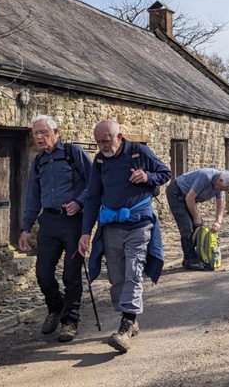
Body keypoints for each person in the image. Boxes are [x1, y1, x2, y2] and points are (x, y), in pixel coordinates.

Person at [77, 120, 171, 354]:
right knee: (116, 275)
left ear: (119, 137)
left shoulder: (140, 152)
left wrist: (147, 176)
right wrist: (86, 232)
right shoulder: (99, 161)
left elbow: (165, 173)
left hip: (139, 224)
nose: (102, 146)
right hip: (111, 226)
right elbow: (93, 196)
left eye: (105, 141)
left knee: (133, 270)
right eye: (98, 142)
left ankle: (126, 325)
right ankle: (130, 315)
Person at [18, 115, 92, 342]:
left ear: (56, 132)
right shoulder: (38, 162)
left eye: (43, 132)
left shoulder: (73, 153)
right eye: (35, 134)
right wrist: (25, 228)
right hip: (48, 223)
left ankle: (70, 321)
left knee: (71, 275)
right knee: (43, 274)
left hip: (73, 222)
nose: (39, 137)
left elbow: (94, 183)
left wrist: (79, 202)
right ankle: (56, 306)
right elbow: (33, 197)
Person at [166, 168, 229, 271]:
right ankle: (190, 261)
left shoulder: (220, 185)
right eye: (222, 188)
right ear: (220, 180)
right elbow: (190, 198)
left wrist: (218, 221)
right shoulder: (206, 177)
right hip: (176, 193)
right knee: (187, 227)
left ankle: (191, 257)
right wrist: (196, 217)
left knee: (196, 228)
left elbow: (220, 204)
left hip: (189, 198)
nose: (221, 191)